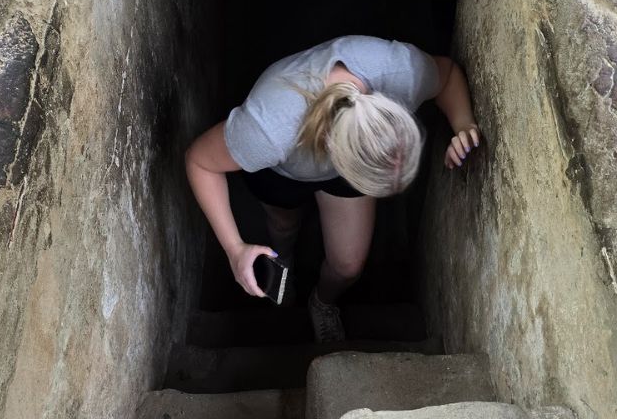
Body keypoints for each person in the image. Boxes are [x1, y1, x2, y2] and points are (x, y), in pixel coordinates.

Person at [185, 35, 480, 342]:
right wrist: (235, 250)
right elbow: (200, 161)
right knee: (283, 225)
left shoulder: (401, 72)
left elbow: (447, 76)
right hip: (280, 171)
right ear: (335, 157)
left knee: (348, 265)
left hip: (344, 154)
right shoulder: (270, 130)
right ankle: (283, 262)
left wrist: (463, 125)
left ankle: (322, 301)